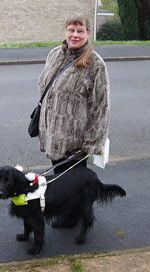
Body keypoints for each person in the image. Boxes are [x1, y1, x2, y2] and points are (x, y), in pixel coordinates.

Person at [37, 14, 110, 227]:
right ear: (65, 31)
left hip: (75, 139)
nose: (75, 35)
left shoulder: (95, 64)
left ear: (88, 33)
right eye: (71, 30)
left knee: (71, 181)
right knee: (60, 177)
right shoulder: (55, 54)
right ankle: (72, 211)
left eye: (80, 30)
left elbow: (100, 106)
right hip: (53, 133)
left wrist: (91, 143)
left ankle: (73, 215)